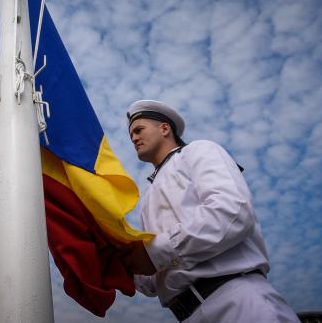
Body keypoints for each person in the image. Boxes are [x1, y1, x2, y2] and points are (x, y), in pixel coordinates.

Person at [124, 99, 299, 322]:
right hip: (186, 314)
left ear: (165, 128)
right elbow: (154, 281)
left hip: (236, 301)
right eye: (131, 135)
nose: (134, 138)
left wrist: (155, 253)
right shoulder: (147, 198)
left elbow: (232, 211)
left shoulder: (198, 150)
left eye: (139, 130)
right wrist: (124, 265)